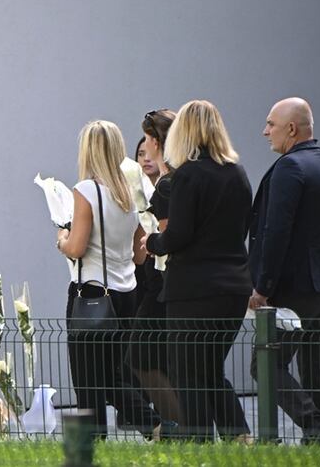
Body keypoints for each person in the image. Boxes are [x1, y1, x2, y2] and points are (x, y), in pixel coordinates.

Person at [56, 120, 174, 441]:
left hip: (92, 294)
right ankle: (155, 424)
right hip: (125, 294)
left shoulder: (86, 191)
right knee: (111, 375)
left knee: (87, 378)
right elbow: (139, 256)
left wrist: (62, 238)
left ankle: (88, 447)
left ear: (88, 150)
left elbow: (77, 248)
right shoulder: (126, 192)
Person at [143, 100, 252, 442]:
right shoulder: (237, 172)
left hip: (194, 289)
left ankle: (197, 439)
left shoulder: (188, 175)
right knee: (208, 367)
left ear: (184, 132)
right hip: (234, 287)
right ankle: (238, 437)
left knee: (186, 369)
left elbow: (179, 235)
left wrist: (153, 242)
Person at [248, 98, 320, 445]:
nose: (265, 131)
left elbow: (276, 232)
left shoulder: (290, 168)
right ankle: (319, 442)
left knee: (265, 366)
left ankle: (319, 428)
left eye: (270, 124)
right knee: (317, 371)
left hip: (294, 291)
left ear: (291, 129)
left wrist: (263, 286)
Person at [127, 111, 182, 424]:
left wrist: (152, 241)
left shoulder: (167, 185)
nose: (144, 149)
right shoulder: (175, 181)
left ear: (158, 142)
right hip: (161, 284)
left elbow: (167, 239)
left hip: (161, 285)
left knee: (142, 356)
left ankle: (181, 427)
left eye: (147, 141)